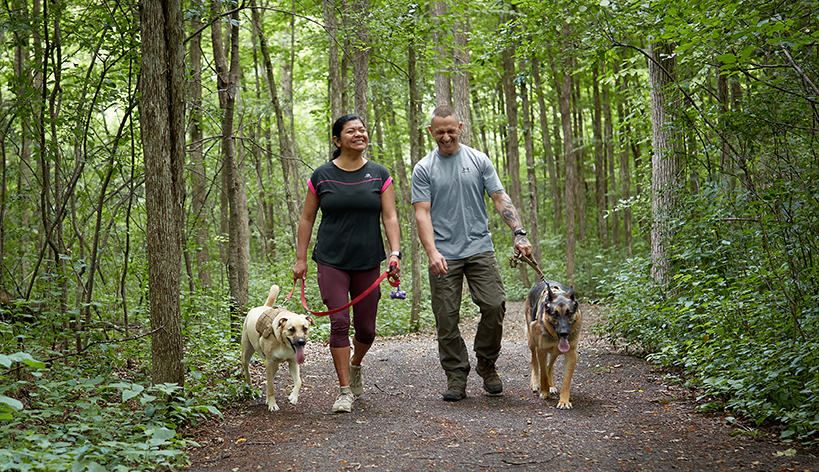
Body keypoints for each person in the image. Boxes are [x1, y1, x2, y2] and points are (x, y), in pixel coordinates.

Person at [411, 105, 532, 402]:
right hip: (443, 254)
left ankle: (487, 362)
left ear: (460, 127)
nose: (446, 136)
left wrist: (519, 232)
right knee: (446, 317)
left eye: (451, 130)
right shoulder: (424, 168)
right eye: (440, 131)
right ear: (431, 132)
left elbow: (499, 197)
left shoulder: (478, 160)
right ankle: (455, 375)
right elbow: (422, 214)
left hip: (479, 247)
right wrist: (432, 252)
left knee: (494, 304)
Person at [293, 114, 401, 413]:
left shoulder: (379, 174)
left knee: (366, 331)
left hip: (368, 260)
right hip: (331, 260)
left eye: (363, 130)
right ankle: (343, 391)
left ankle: (355, 364)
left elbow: (389, 216)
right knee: (339, 324)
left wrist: (395, 253)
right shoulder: (321, 176)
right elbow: (306, 218)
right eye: (351, 131)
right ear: (337, 140)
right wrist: (301, 259)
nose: (359, 134)